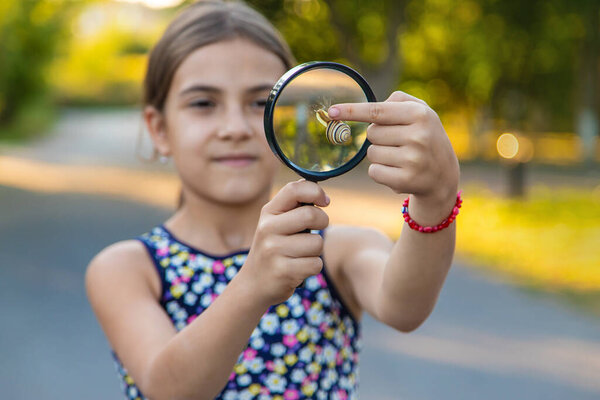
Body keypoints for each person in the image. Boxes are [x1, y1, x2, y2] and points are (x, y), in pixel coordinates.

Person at [85, 1, 460, 399]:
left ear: (292, 119)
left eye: (261, 103)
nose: (235, 128)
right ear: (159, 130)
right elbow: (168, 391)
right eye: (203, 103)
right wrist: (252, 285)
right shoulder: (126, 269)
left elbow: (405, 307)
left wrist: (437, 198)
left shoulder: (334, 252)